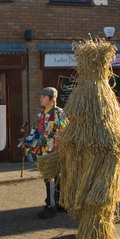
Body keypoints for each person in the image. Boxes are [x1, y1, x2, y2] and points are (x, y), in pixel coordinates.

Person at [21, 87, 68, 219]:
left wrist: (60, 136)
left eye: (43, 97)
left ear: (52, 99)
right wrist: (27, 143)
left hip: (55, 151)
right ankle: (56, 203)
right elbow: (35, 131)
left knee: (54, 178)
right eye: (41, 96)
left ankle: (52, 205)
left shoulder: (59, 113)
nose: (40, 99)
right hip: (44, 151)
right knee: (49, 178)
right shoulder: (40, 115)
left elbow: (66, 129)